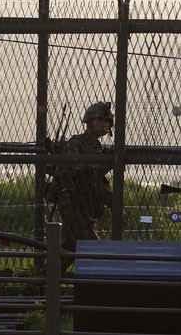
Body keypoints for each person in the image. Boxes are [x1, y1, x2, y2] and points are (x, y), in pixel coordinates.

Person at [52, 101, 114, 273]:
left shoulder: (98, 149)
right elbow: (63, 169)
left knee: (70, 249)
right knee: (91, 247)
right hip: (72, 203)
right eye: (101, 120)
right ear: (90, 122)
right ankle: (95, 287)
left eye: (108, 121)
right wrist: (89, 165)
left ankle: (43, 281)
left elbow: (99, 183)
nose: (105, 124)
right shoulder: (77, 143)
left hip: (85, 206)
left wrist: (114, 204)